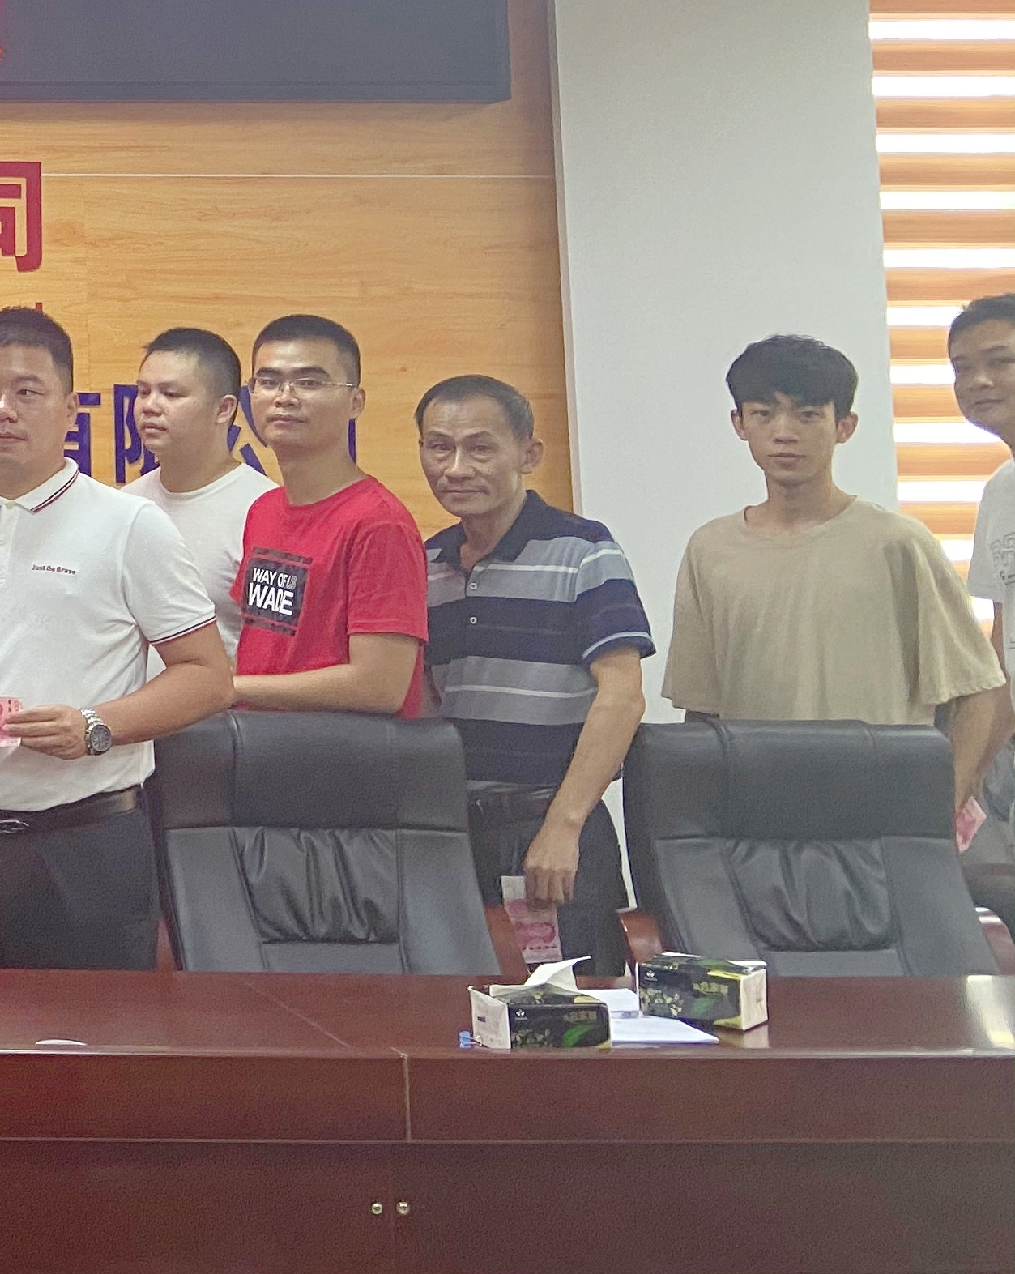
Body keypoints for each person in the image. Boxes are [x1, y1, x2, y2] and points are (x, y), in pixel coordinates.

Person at [0, 308, 231, 969]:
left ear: (69, 408)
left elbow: (207, 675)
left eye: (27, 391)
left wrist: (96, 726)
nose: (1, 409)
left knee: (88, 1033)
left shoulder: (130, 524)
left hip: (86, 842)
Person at [666, 334, 1009, 815]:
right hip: (758, 813)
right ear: (739, 423)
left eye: (807, 415)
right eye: (763, 414)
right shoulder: (710, 549)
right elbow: (702, 711)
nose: (784, 432)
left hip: (880, 812)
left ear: (844, 426)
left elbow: (977, 689)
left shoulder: (898, 543)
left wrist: (942, 804)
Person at [415, 374, 653, 975]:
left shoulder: (585, 551)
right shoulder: (427, 563)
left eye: (480, 447)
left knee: (576, 1011)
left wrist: (562, 827)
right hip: (452, 835)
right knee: (459, 1007)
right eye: (439, 447)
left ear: (528, 454)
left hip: (551, 831)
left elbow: (622, 696)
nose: (456, 467)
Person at [230, 313, 429, 716]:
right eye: (268, 381)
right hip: (259, 743)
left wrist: (228, 689)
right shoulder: (263, 509)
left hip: (341, 751)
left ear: (356, 402)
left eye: (309, 382)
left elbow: (380, 686)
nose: (285, 397)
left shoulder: (378, 523)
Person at [123, 327, 273, 662]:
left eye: (171, 394)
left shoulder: (264, 510)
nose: (149, 406)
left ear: (224, 409)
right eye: (143, 392)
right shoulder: (125, 505)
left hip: (227, 696)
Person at [947, 295, 1015, 921]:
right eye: (962, 368)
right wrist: (972, 771)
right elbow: (1000, 643)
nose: (978, 381)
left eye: (999, 361)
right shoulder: (1000, 491)